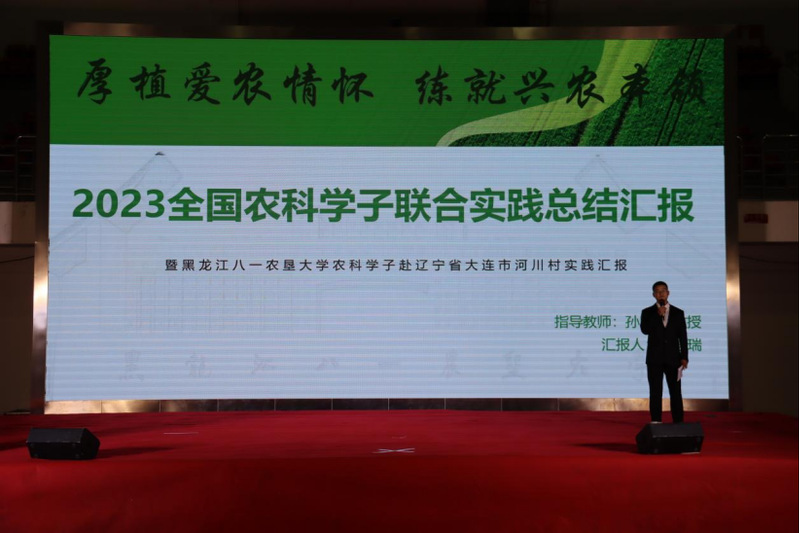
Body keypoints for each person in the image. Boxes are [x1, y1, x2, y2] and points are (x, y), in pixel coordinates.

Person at [640, 281, 688, 424]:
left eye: (663, 291)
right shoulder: (647, 312)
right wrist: (657, 315)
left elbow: (683, 337)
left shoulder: (678, 313)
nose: (660, 294)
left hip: (673, 359)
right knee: (655, 391)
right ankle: (656, 421)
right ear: (653, 295)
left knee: (675, 392)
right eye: (657, 291)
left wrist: (684, 357)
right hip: (654, 359)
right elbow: (645, 330)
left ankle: (678, 421)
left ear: (668, 293)